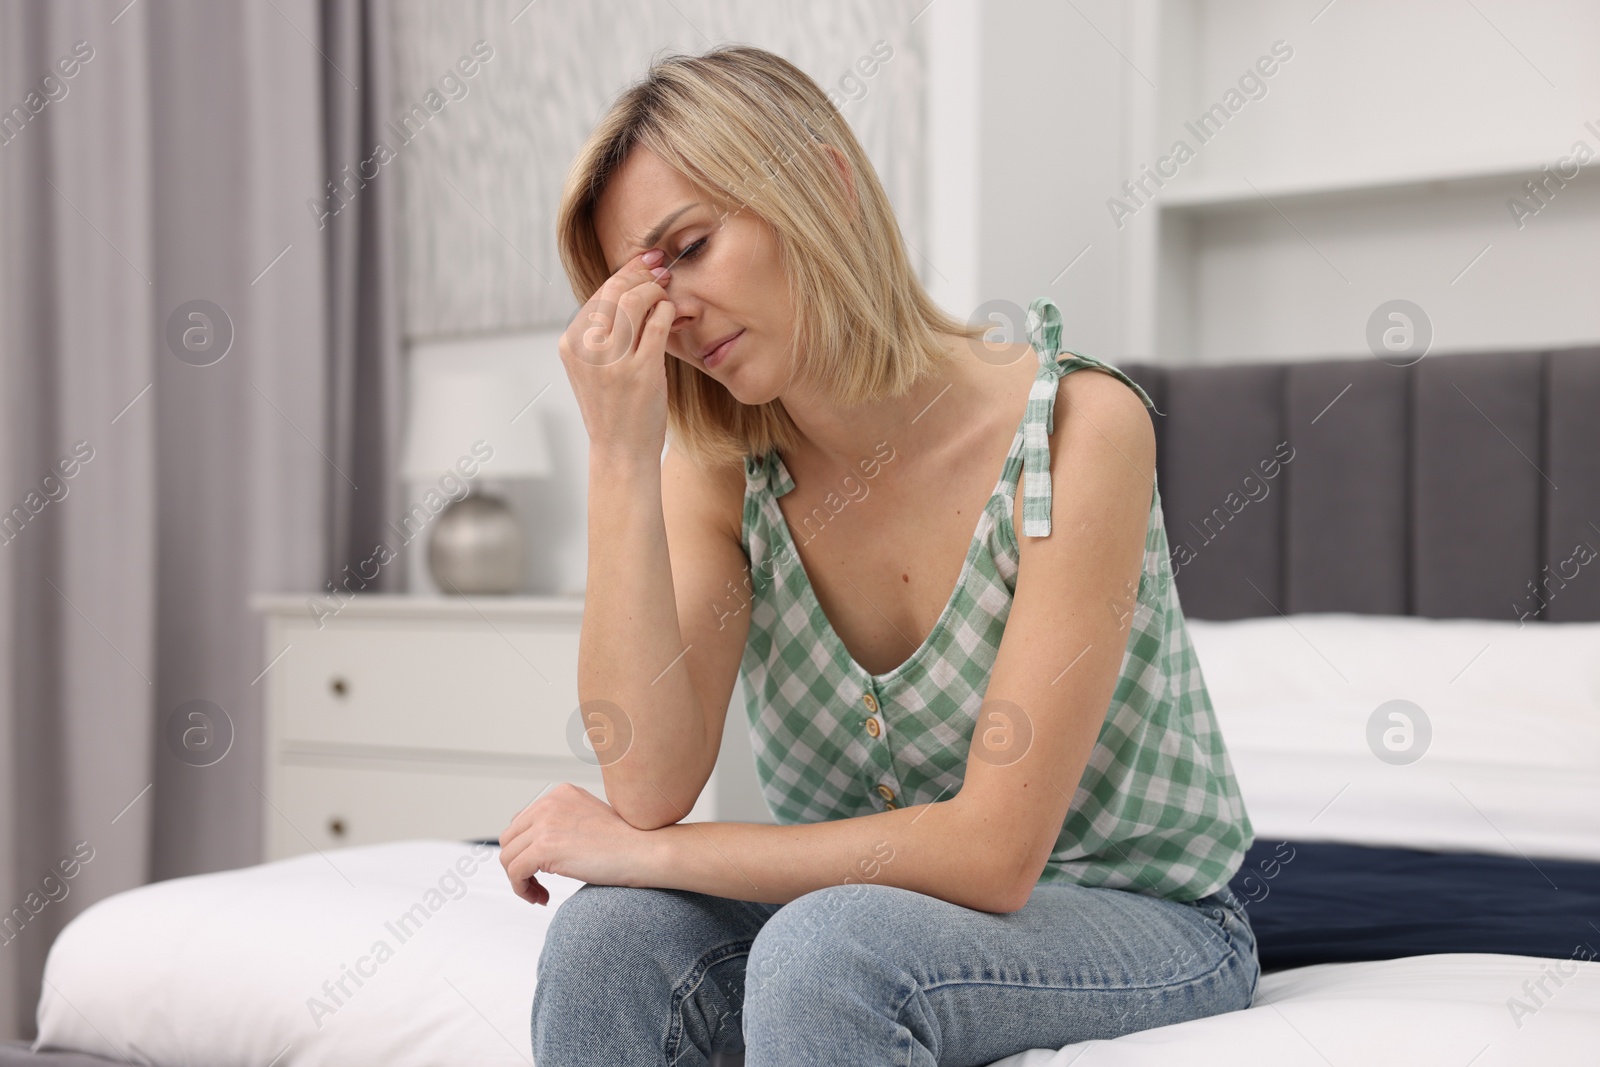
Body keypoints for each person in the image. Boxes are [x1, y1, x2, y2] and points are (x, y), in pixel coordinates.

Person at [497, 43, 1258, 1067]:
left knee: (826, 951)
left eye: (689, 246)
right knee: (607, 937)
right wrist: (622, 454)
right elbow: (647, 782)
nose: (668, 315)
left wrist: (652, 854)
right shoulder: (724, 469)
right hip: (863, 912)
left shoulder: (1079, 425)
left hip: (1135, 914)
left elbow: (992, 856)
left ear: (826, 183)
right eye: (636, 287)